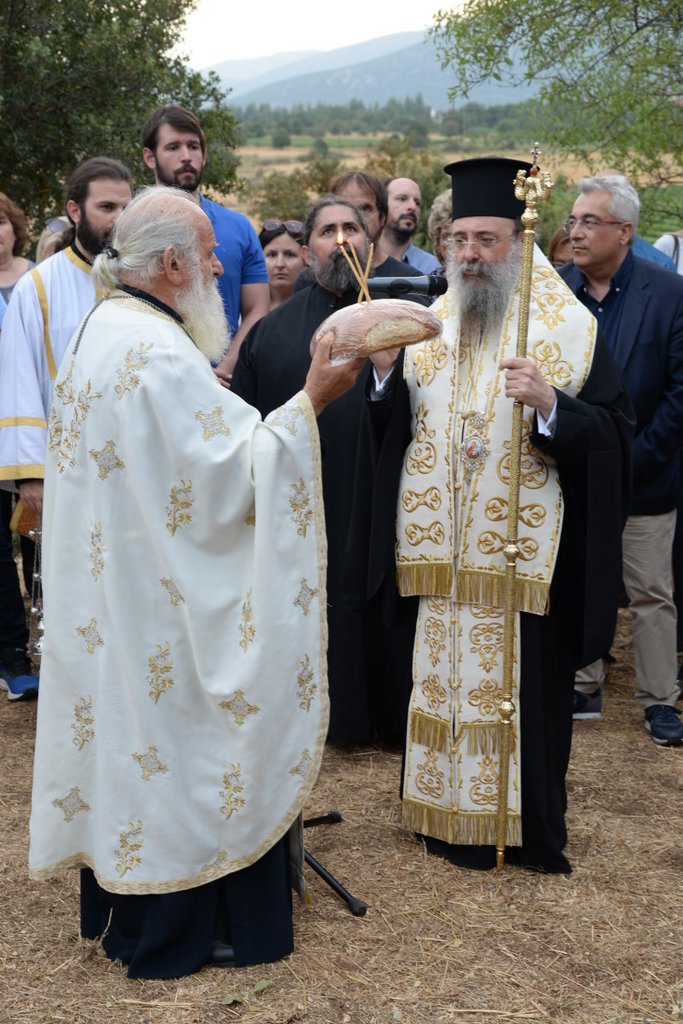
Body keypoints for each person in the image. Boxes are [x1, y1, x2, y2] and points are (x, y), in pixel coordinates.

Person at [28, 186, 363, 979]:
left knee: (137, 743)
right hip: (161, 606)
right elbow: (230, 478)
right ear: (172, 262)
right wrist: (312, 399)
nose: (222, 264)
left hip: (125, 592)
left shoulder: (107, 328)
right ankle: (199, 922)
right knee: (183, 740)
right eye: (210, 252)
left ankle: (144, 911)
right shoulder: (152, 350)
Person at [349, 157, 633, 872]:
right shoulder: (431, 323)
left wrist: (550, 407)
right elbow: (392, 436)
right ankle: (440, 820)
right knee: (437, 682)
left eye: (486, 239)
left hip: (520, 567)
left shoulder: (566, 328)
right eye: (460, 239)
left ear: (520, 241)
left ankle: (525, 830)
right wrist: (382, 377)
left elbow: (613, 436)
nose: (470, 254)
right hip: (444, 566)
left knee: (523, 696)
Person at [232, 197, 419, 745]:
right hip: (307, 499)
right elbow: (248, 422)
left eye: (351, 228)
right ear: (310, 247)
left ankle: (390, 714)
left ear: (372, 237)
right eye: (326, 231)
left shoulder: (408, 316)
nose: (340, 240)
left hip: (391, 494)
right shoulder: (273, 330)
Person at [560, 175, 683, 744]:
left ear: (625, 232)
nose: (576, 232)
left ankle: (660, 700)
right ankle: (582, 681)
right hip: (572, 470)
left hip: (646, 475)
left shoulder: (668, 294)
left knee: (650, 591)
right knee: (580, 577)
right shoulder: (556, 295)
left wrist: (628, 459)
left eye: (591, 222)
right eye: (574, 220)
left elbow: (679, 394)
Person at [0, 157, 133, 519]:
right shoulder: (38, 287)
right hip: (61, 472)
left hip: (134, 471)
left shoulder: (143, 280)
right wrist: (31, 473)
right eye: (106, 207)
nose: (119, 218)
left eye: (126, 207)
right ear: (75, 210)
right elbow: (18, 381)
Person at [141, 104, 269, 376]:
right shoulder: (133, 230)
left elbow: (257, 308)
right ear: (150, 157)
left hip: (225, 385)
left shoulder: (239, 228)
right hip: (155, 381)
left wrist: (224, 368)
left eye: (194, 146)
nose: (186, 156)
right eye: (173, 147)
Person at [0, 192, 39, 700]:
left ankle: (52, 644)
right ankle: (12, 654)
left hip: (36, 428)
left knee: (40, 537)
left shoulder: (40, 278)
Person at [379, 177, 441, 273]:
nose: (412, 207)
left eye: (417, 203)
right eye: (402, 199)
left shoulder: (433, 269)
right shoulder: (359, 264)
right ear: (382, 205)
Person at [259, 218, 305, 309]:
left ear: (307, 258)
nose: (280, 264)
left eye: (290, 255)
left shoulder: (320, 308)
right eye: (272, 255)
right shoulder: (244, 312)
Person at [427, 188, 453, 271]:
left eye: (462, 238)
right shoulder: (428, 283)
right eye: (447, 237)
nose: (454, 244)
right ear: (437, 244)